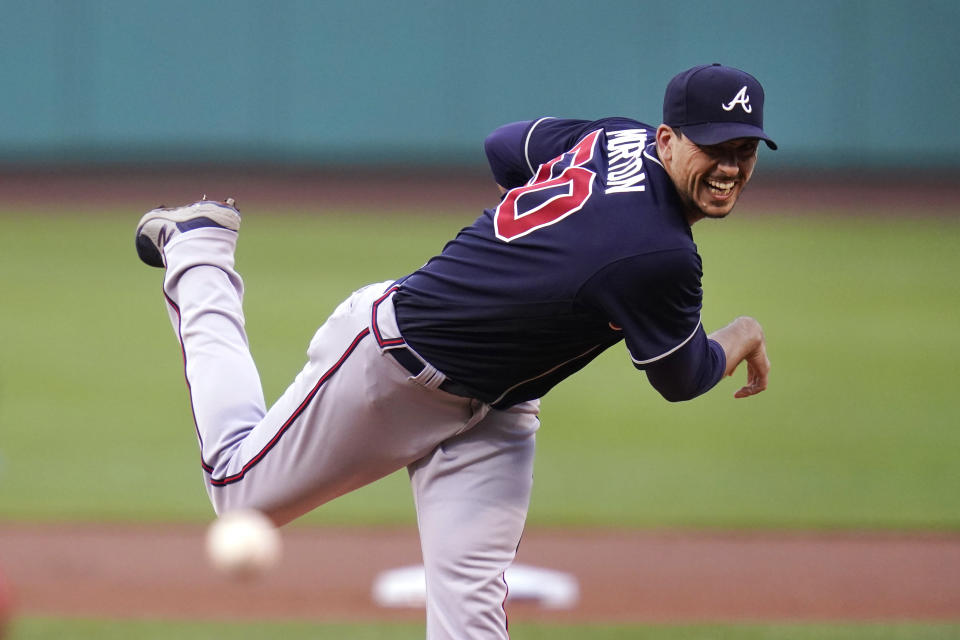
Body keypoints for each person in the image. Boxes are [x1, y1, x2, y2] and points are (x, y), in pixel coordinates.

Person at [134, 63, 774, 639]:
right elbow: (683, 378)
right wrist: (742, 330)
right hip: (391, 368)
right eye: (713, 146)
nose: (729, 166)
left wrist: (540, 235)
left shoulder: (615, 138)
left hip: (498, 413)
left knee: (469, 621)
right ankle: (199, 250)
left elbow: (504, 146)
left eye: (744, 150)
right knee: (236, 491)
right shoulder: (659, 254)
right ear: (667, 139)